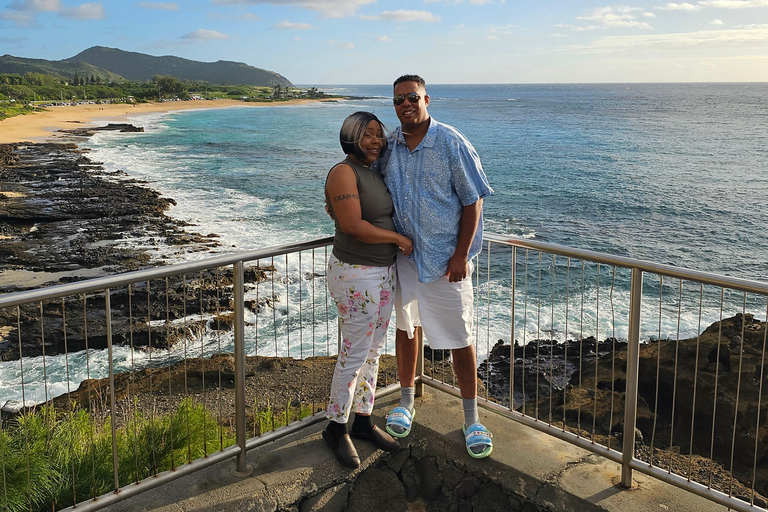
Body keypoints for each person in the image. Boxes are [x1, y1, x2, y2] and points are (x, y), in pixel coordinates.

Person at [381, 75, 494, 459]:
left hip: (446, 263)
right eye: (398, 100)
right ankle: (406, 402)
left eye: (412, 97)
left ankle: (472, 418)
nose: (405, 105)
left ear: (427, 98)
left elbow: (473, 200)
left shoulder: (450, 141)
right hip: (406, 259)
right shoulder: (391, 146)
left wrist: (461, 255)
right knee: (406, 327)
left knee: (460, 337)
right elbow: (366, 178)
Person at [323, 111, 413, 468]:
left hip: (383, 272)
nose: (377, 141)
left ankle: (363, 420)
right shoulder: (343, 171)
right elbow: (353, 225)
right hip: (356, 274)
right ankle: (335, 427)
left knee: (373, 352)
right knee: (353, 354)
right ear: (351, 136)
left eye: (380, 135)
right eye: (368, 135)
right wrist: (397, 238)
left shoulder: (372, 172)